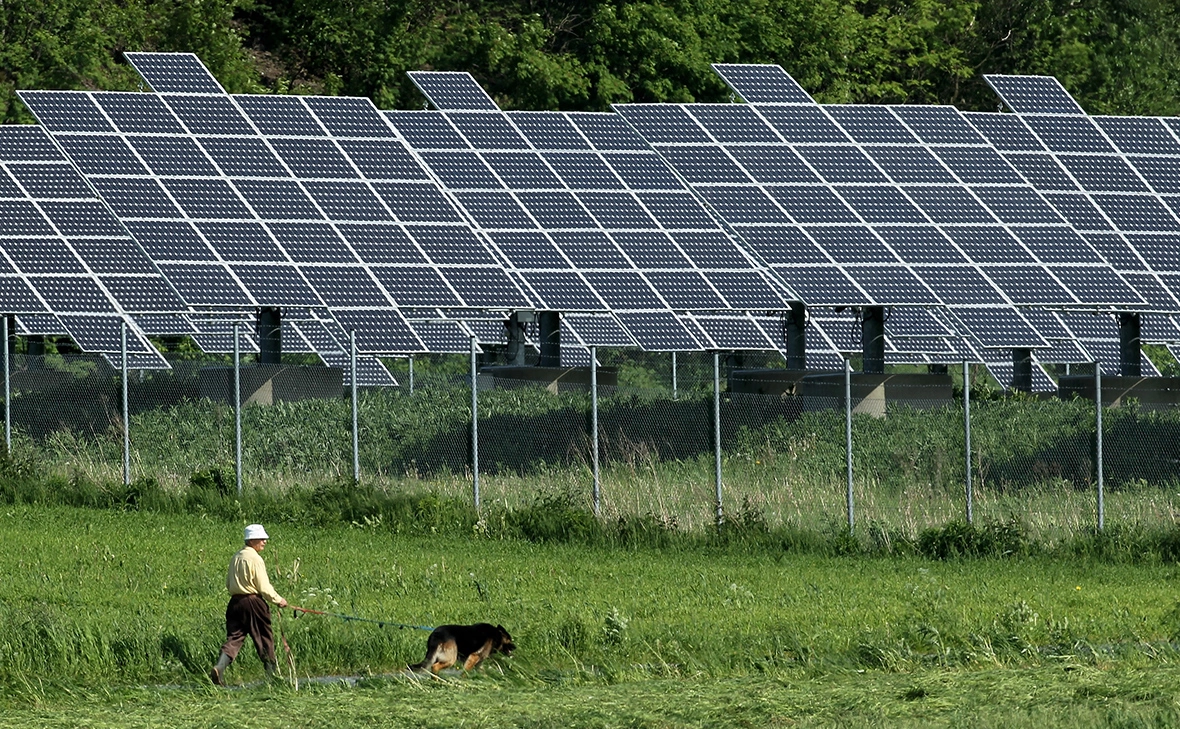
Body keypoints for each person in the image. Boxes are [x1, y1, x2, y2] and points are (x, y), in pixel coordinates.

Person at [210, 523, 288, 686]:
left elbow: (228, 583)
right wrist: (278, 600)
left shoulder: (236, 557)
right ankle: (271, 678)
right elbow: (264, 587)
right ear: (252, 540)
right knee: (264, 637)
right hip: (253, 603)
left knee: (235, 637)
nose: (265, 541)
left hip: (235, 603)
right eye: (261, 538)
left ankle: (219, 667)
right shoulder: (255, 559)